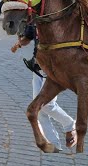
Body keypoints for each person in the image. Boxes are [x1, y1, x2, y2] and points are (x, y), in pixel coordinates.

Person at [11, 24, 77, 152]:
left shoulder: (56, 20)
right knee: (40, 109)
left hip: (54, 69)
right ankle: (54, 144)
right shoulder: (35, 20)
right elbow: (28, 38)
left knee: (46, 105)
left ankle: (69, 124)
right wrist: (18, 44)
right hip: (38, 68)